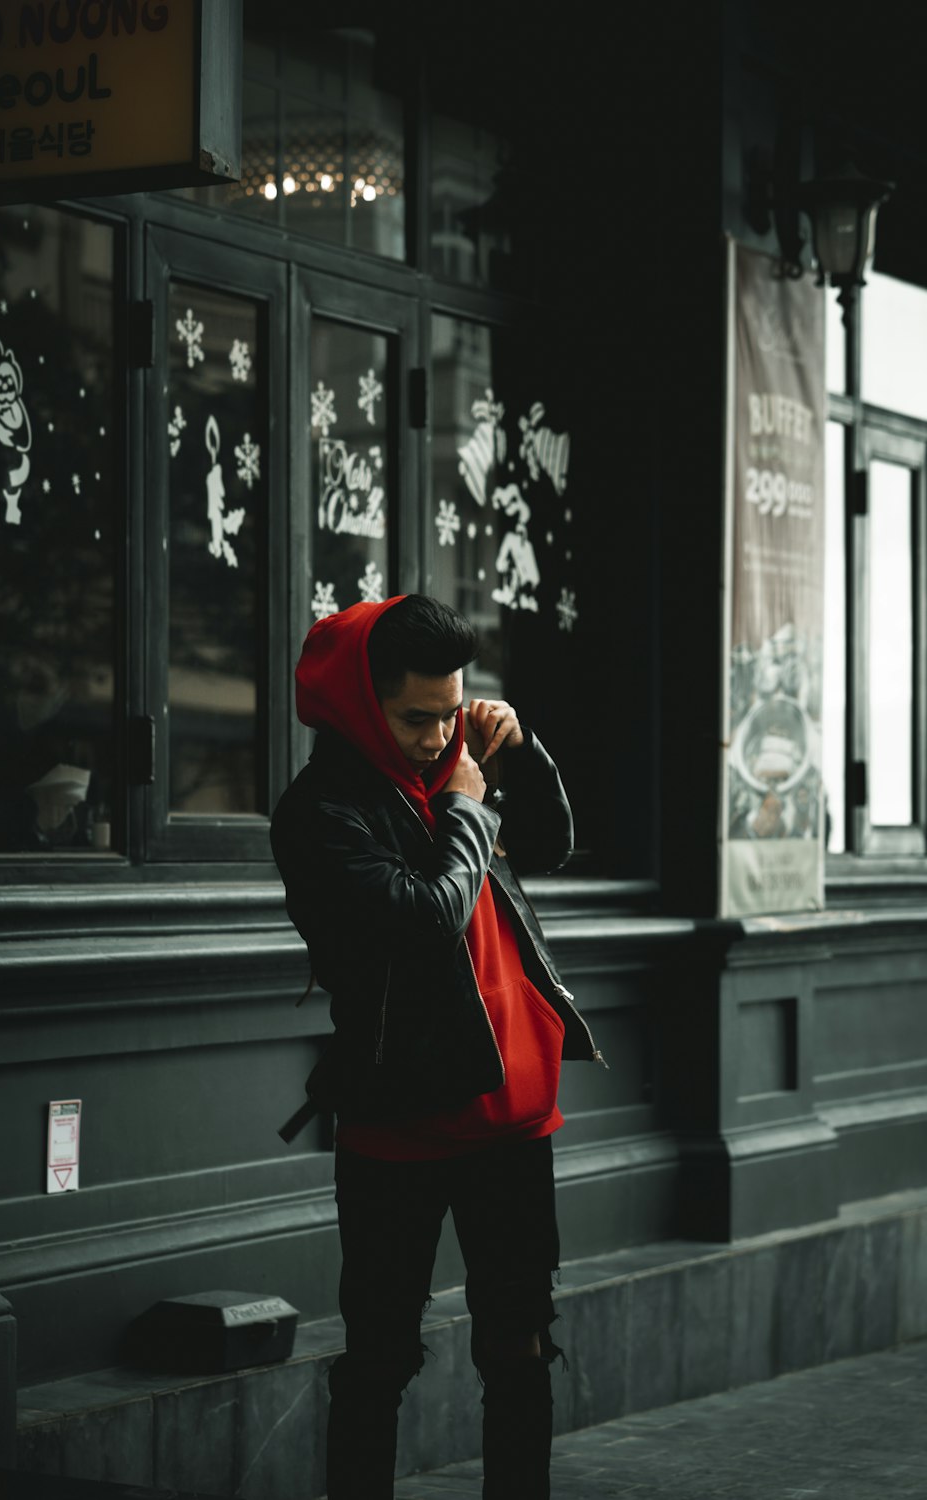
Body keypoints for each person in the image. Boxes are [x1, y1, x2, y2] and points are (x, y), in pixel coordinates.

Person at [271, 594, 605, 1500]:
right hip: (398, 1124)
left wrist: (519, 753)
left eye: (452, 711)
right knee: (379, 1360)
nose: (437, 735)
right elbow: (422, 923)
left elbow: (552, 843)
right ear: (356, 704)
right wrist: (466, 807)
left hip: (516, 1119)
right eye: (416, 717)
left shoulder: (458, 763)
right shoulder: (321, 814)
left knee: (521, 1345)